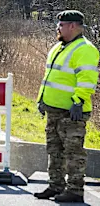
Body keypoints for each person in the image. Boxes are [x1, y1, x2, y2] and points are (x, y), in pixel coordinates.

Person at [34, 10, 99, 203]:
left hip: (71, 112)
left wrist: (78, 101)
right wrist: (42, 100)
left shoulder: (85, 49)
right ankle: (56, 185)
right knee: (54, 150)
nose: (58, 28)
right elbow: (50, 78)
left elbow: (87, 80)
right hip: (54, 110)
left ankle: (75, 190)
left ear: (73, 26)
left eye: (62, 25)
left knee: (73, 152)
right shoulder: (59, 47)